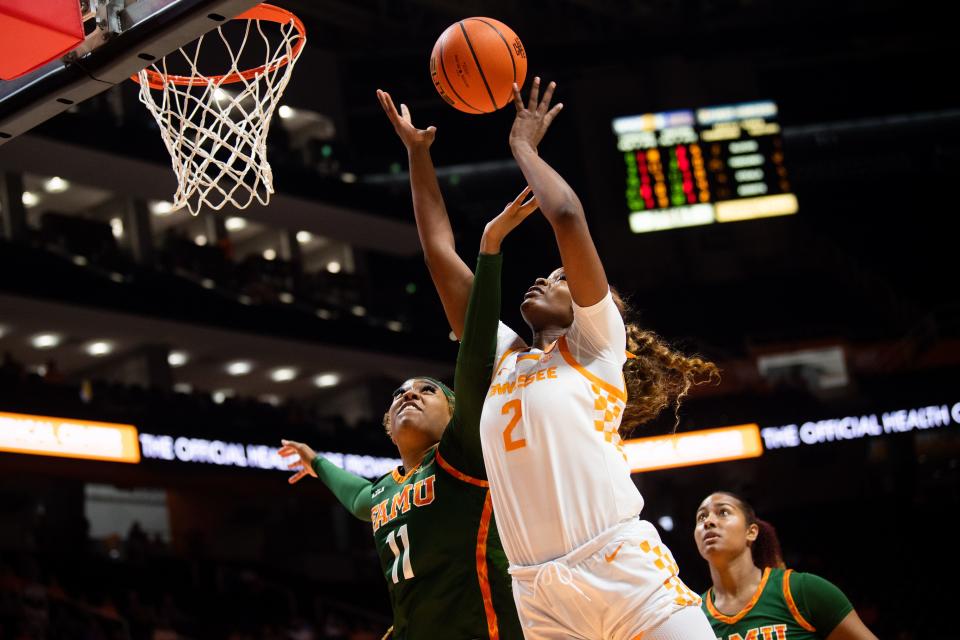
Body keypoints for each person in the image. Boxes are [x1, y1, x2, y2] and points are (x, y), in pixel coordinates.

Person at [378, 79, 718, 640]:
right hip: (538, 593)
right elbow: (440, 254)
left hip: (623, 572)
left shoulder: (598, 345)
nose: (545, 275)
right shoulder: (503, 358)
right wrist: (418, 157)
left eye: (561, 278)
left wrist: (525, 149)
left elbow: (564, 216)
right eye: (549, 273)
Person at [279, 189, 537, 640]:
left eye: (426, 390)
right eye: (399, 392)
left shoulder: (462, 455)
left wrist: (489, 252)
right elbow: (358, 498)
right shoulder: (385, 494)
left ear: (457, 412)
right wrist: (316, 462)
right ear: (388, 430)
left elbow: (475, 354)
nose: (408, 394)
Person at [694, 492, 879, 640]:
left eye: (723, 512)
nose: (708, 521)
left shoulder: (802, 590)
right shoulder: (694, 616)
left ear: (751, 532)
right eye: (701, 517)